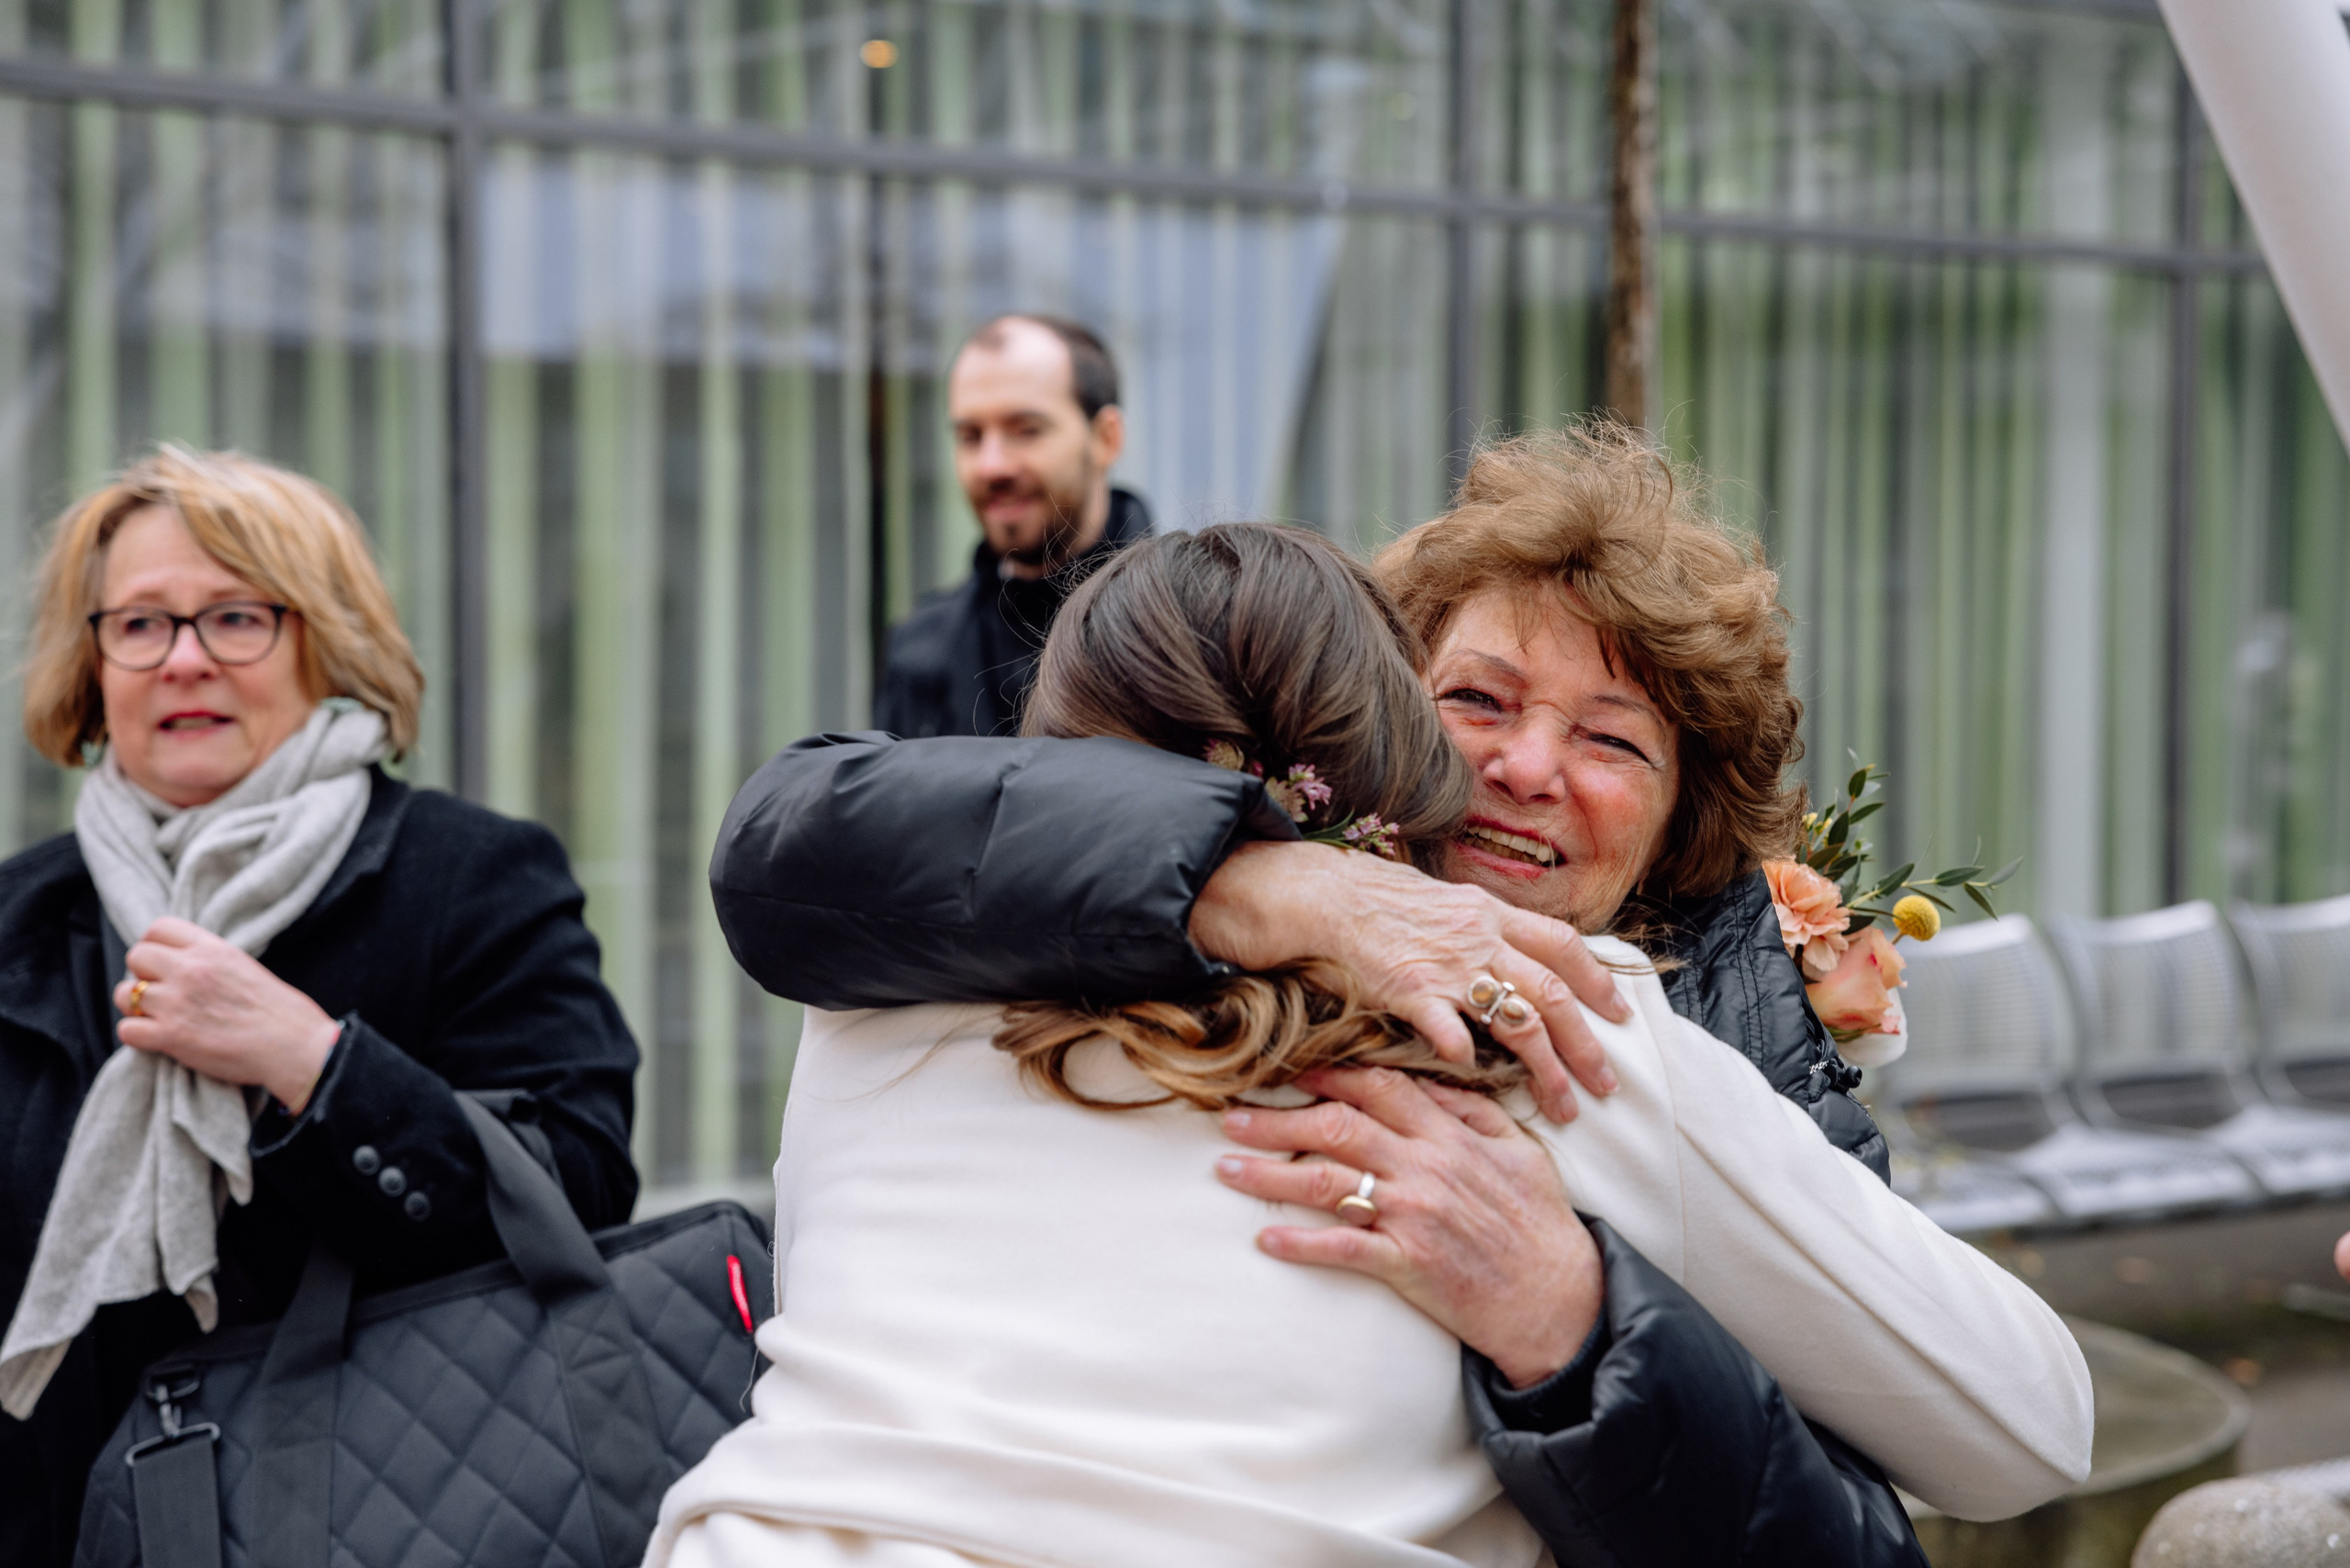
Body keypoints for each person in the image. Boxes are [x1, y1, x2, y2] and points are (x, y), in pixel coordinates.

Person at [653, 525, 2088, 1566]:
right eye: (1477, 704)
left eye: (1612, 741)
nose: (1524, 770)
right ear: (1386, 724)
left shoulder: (872, 986)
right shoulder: (1553, 1017)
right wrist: (1267, 884)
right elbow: (2026, 1429)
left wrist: (1584, 1317)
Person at [0, 448, 640, 1568]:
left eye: (236, 617)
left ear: (326, 641)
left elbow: (579, 1183)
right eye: (140, 624)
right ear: (92, 663)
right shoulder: (19, 911)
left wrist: (311, 1063)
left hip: (362, 1518)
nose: (183, 660)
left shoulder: (471, 876)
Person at [874, 313, 1153, 738]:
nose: (992, 466)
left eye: (1025, 430)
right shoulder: (919, 653)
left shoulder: (1194, 634)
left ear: (1106, 439)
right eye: (970, 436)